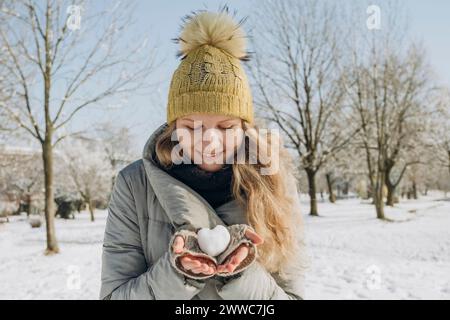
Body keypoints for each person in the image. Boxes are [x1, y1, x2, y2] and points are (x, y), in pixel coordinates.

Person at [99, 7, 308, 300]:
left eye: (225, 126)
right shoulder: (134, 185)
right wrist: (176, 273)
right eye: (192, 127)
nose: (209, 141)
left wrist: (242, 275)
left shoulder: (273, 181)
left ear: (245, 127)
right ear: (173, 127)